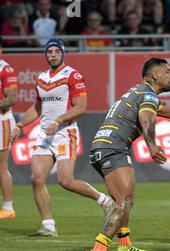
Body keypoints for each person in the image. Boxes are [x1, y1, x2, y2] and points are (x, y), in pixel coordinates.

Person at [87, 57, 170, 251]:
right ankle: (99, 248)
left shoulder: (140, 92)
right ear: (155, 75)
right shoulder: (147, 95)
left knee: (124, 199)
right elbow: (147, 118)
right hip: (113, 148)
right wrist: (151, 145)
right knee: (124, 200)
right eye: (167, 71)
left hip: (102, 146)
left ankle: (124, 244)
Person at [10, 39, 114, 236]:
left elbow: (81, 107)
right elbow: (38, 107)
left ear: (63, 53)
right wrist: (20, 125)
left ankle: (104, 201)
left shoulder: (72, 75)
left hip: (65, 133)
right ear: (46, 55)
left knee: (66, 181)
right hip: (44, 134)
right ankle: (49, 226)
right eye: (49, 52)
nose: (53, 55)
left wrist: (58, 120)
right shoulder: (41, 78)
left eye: (57, 51)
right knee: (36, 179)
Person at [0, 36, 17, 219]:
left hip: (1, 121)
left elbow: (11, 99)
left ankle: (8, 207)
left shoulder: (5, 69)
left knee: (1, 166)